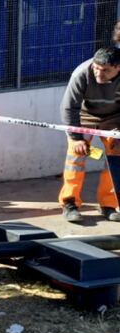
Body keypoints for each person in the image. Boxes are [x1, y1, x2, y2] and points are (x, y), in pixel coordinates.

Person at [59, 47, 120, 222]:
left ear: (118, 67)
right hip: (84, 119)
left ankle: (109, 204)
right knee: (75, 159)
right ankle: (69, 204)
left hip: (114, 120)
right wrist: (76, 138)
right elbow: (69, 108)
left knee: (115, 160)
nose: (99, 73)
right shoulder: (81, 74)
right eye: (96, 68)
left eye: (105, 70)